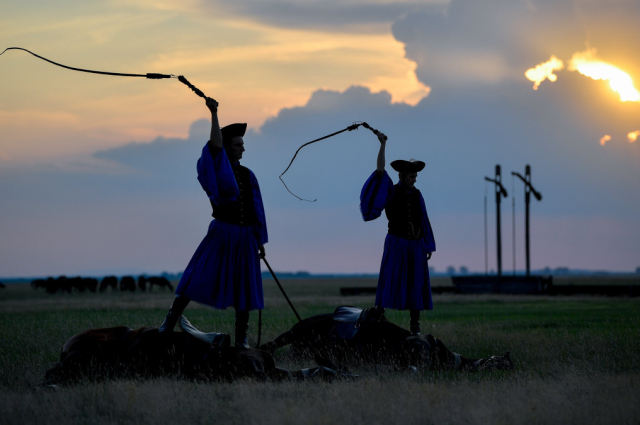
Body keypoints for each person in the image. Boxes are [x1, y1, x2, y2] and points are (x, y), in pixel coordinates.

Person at [158, 97, 268, 349]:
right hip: (221, 232)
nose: (242, 148)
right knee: (196, 276)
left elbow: (257, 209)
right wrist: (214, 112)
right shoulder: (217, 168)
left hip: (246, 236)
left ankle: (242, 340)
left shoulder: (248, 175)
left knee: (246, 287)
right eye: (238, 144)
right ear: (227, 147)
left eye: (243, 144)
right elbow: (215, 146)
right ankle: (169, 322)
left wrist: (259, 239)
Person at [359, 132, 435, 335]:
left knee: (415, 283)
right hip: (397, 243)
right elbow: (380, 171)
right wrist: (382, 145)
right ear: (402, 176)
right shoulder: (391, 191)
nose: (414, 179)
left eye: (416, 176)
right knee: (390, 279)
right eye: (411, 176)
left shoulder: (418, 194)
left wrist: (426, 245)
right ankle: (378, 319)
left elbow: (423, 219)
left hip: (416, 245)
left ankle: (414, 328)